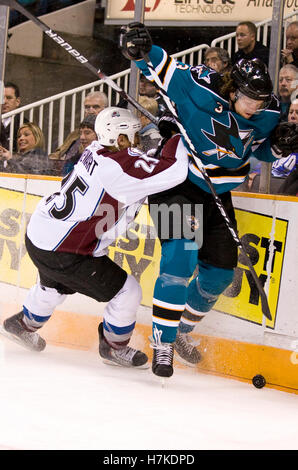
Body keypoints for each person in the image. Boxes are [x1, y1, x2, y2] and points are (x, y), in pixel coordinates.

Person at [119, 22, 298, 378]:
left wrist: (276, 148)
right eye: (249, 99)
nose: (254, 107)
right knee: (179, 261)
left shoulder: (269, 111)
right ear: (234, 91)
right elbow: (158, 65)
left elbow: (256, 149)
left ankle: (181, 331)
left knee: (218, 275)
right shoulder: (200, 87)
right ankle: (163, 343)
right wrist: (139, 47)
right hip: (175, 187)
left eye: (260, 101)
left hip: (218, 194)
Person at [1, 106, 189, 369]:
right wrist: (178, 136)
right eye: (133, 135)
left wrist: (152, 145)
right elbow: (175, 171)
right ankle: (113, 347)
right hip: (66, 250)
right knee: (128, 291)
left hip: (41, 236)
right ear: (119, 138)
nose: (137, 139)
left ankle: (21, 324)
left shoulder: (94, 150)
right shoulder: (120, 170)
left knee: (55, 285)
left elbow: (133, 160)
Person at [49, 90, 108, 169]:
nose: (91, 110)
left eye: (96, 107)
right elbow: (58, 153)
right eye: (87, 107)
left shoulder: (109, 134)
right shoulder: (75, 133)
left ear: (106, 109)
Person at [2, 82, 28, 152]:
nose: (4, 101)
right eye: (1, 98)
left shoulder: (25, 124)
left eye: (9, 98)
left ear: (17, 101)